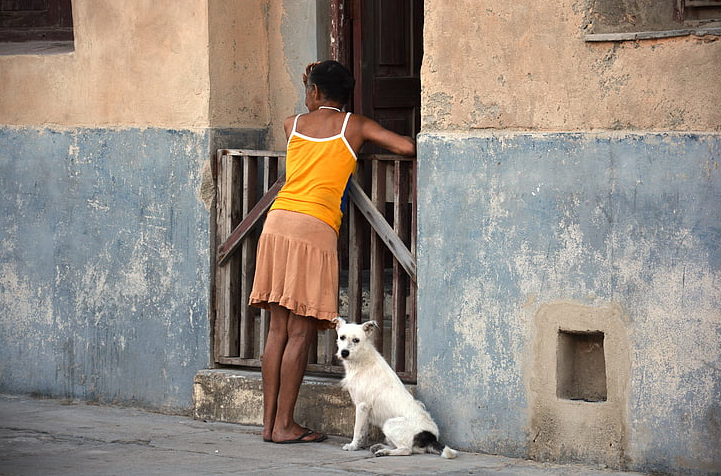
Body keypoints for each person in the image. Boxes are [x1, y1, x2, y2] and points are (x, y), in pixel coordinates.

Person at [249, 60, 415, 444]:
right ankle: (285, 426)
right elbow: (405, 146)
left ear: (315, 92)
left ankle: (269, 425)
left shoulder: (292, 125)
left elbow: (307, 111)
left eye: (308, 88)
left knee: (277, 330)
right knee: (301, 331)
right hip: (314, 229)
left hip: (277, 224)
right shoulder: (353, 126)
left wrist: (312, 81)